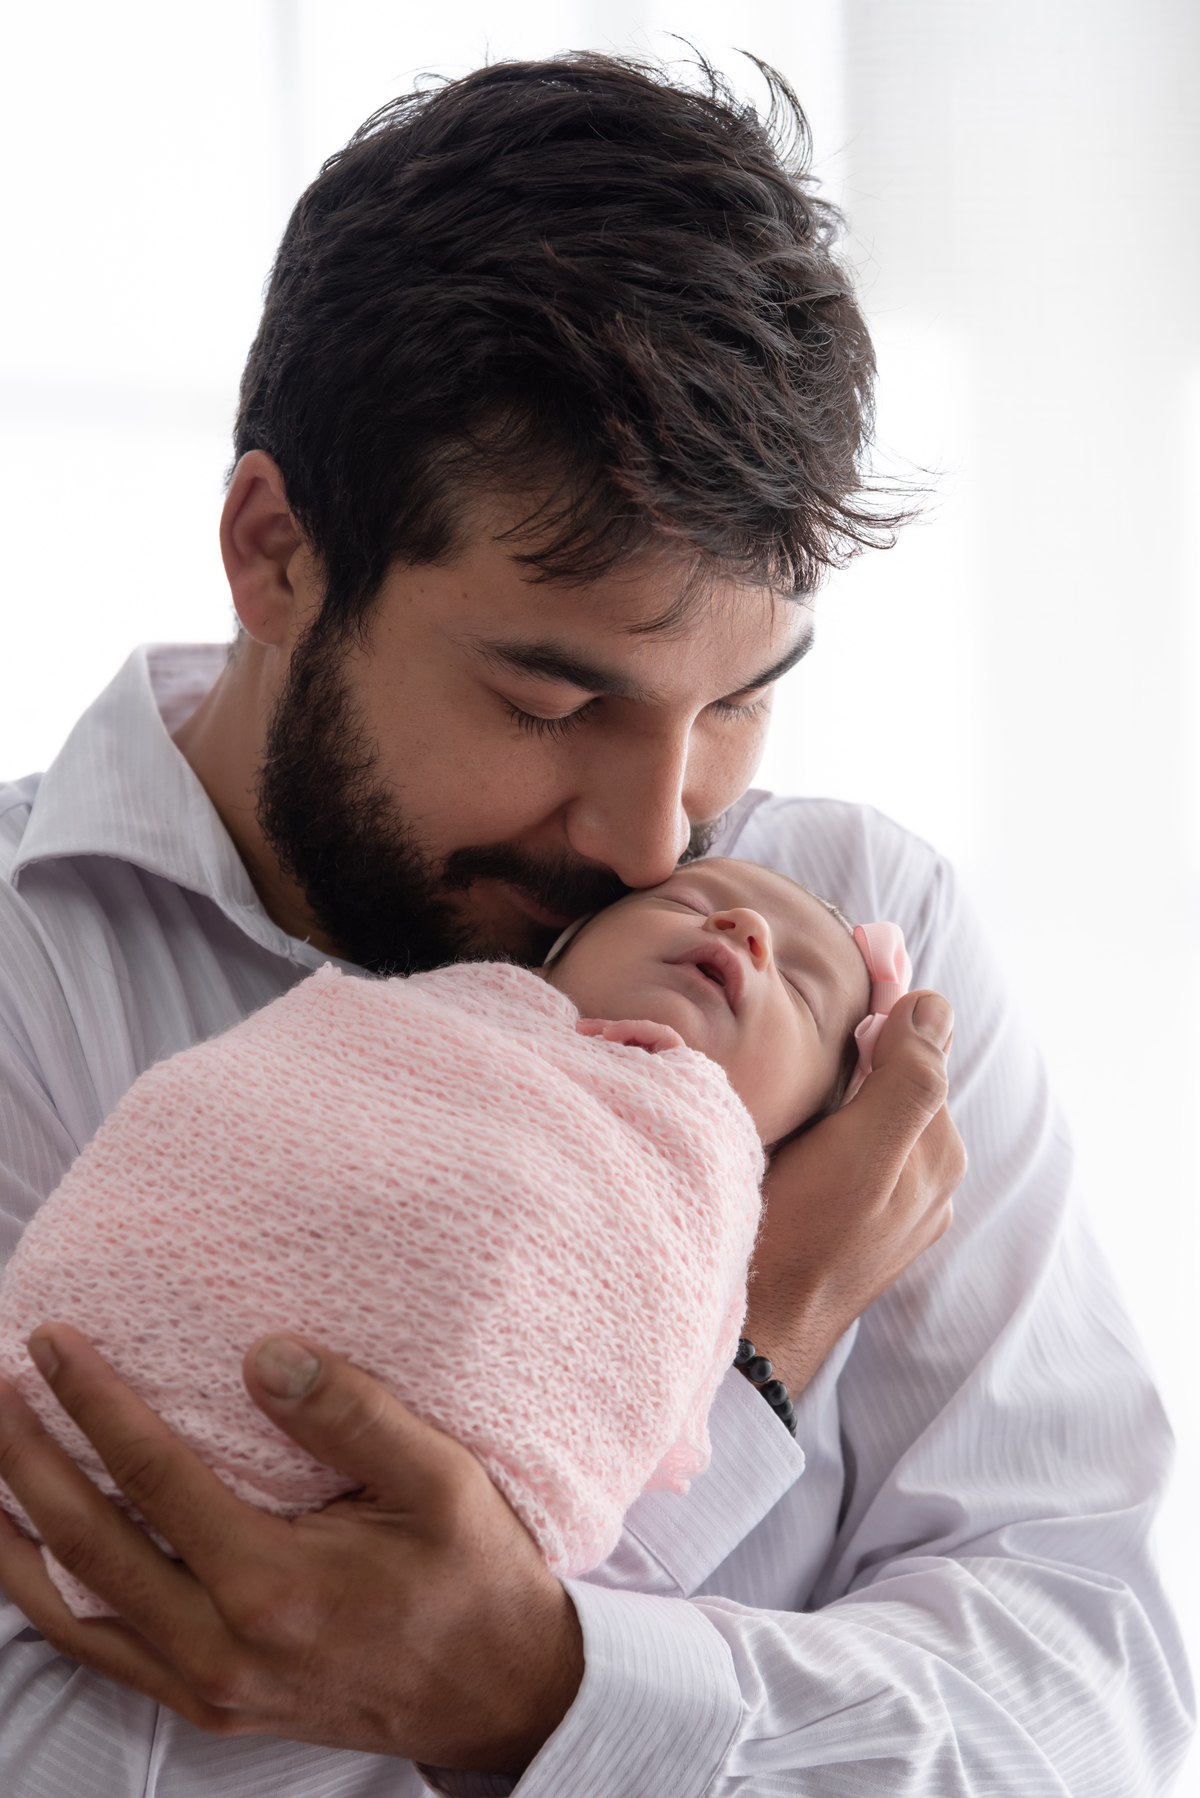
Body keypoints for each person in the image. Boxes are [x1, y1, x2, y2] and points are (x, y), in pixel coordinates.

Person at [0, 51, 1190, 1798]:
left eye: (738, 701)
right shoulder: (25, 984)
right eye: (554, 703)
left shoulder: (855, 959)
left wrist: (540, 1688)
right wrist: (752, 1347)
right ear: (274, 552)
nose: (659, 837)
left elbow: (1097, 1701)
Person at [0, 859, 903, 1621]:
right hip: (112, 1353)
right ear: (561, 950)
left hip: (370, 1512)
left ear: (798, 1133)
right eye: (689, 902)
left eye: (801, 987)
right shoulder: (427, 1015)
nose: (744, 929)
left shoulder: (700, 1186)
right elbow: (246, 1105)